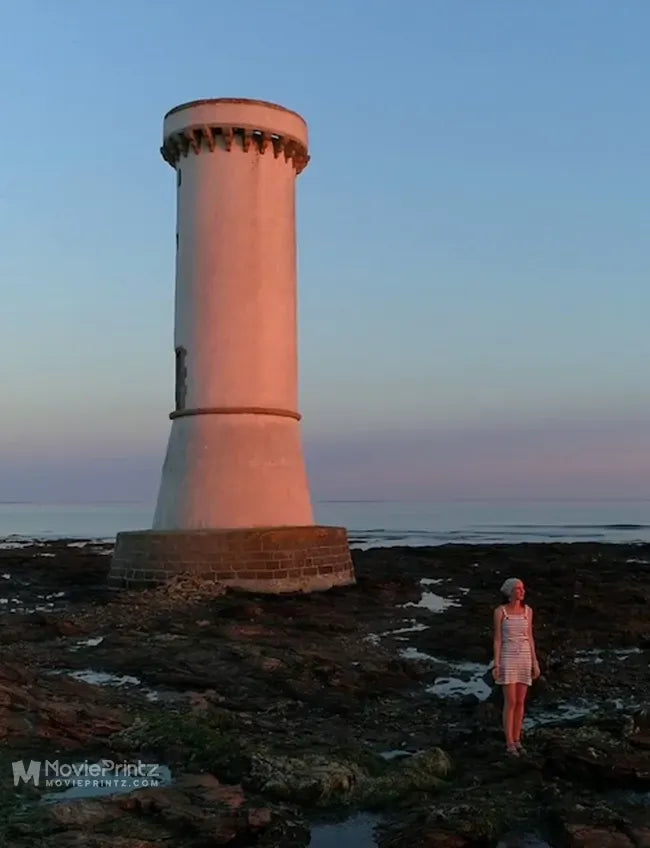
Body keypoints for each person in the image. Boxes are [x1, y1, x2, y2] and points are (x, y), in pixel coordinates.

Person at [492, 577, 540, 756]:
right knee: (510, 702)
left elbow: (530, 637)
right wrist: (496, 664)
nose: (522, 591)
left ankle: (517, 738)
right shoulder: (500, 612)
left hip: (524, 657)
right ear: (510, 592)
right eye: (518, 589)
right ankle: (509, 742)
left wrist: (535, 663)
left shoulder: (528, 611)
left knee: (520, 702)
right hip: (507, 658)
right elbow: (497, 639)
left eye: (523, 588)